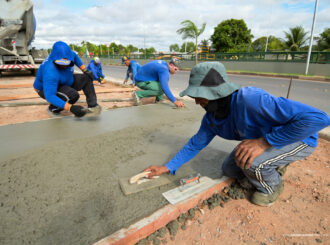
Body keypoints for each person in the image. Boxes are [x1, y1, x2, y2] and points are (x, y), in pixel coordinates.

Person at [144, 62, 330, 207]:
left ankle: (273, 186)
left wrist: (264, 143)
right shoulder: (211, 118)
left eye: (199, 96)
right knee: (230, 169)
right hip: (266, 139)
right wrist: (168, 167)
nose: (196, 101)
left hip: (300, 138)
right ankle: (273, 162)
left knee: (253, 164)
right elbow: (195, 144)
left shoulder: (251, 100)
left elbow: (319, 119)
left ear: (217, 93)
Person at [33, 41, 101, 118]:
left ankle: (93, 106)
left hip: (66, 80)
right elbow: (50, 96)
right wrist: (71, 108)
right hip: (45, 88)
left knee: (86, 78)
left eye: (66, 63)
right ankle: (53, 108)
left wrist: (85, 70)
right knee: (73, 95)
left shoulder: (68, 54)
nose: (64, 65)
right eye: (61, 63)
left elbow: (75, 56)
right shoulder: (50, 72)